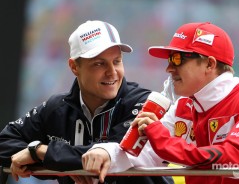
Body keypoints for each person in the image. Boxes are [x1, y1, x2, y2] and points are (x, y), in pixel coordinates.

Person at [82, 22, 239, 184]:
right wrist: (105, 152)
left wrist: (163, 140)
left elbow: (236, 160)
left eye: (177, 59)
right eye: (169, 60)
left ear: (209, 64)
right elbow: (142, 154)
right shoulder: (184, 107)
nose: (169, 69)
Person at [0, 20, 173, 184]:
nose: (112, 72)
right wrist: (67, 165)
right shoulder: (57, 107)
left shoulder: (144, 104)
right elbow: (5, 142)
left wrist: (39, 152)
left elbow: (113, 152)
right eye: (99, 64)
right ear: (74, 67)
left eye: (117, 61)